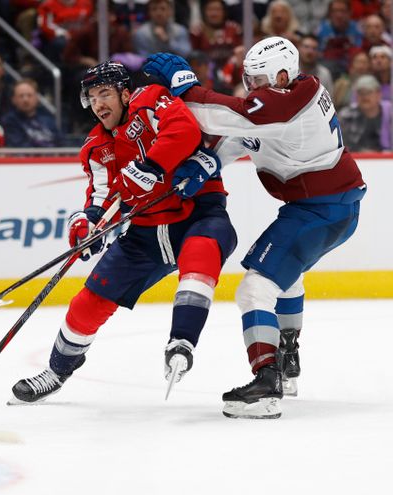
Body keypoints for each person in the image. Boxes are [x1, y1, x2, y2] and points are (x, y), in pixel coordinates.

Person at [144, 35, 367, 419]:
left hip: (320, 210)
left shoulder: (294, 100)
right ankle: (286, 362)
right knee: (285, 277)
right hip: (328, 206)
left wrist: (186, 86)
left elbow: (233, 116)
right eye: (249, 81)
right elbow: (243, 134)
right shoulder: (287, 97)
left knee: (254, 289)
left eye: (258, 81)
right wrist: (210, 161)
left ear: (283, 74)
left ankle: (266, 382)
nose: (252, 89)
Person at [11, 62, 236, 404]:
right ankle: (56, 371)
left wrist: (152, 166)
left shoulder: (150, 100)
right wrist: (87, 222)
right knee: (88, 303)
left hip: (197, 215)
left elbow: (184, 130)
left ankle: (182, 342)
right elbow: (101, 196)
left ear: (125, 93)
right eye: (92, 97)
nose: (99, 104)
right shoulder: (96, 146)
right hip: (144, 234)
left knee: (200, 256)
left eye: (105, 93)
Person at [0, 78, 61, 148]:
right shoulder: (9, 121)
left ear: (37, 98)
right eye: (21, 96)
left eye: (29, 95)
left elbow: (61, 143)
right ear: (14, 100)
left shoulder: (47, 119)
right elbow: (20, 147)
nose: (25, 100)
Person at [338, 74, 392, 151]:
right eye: (361, 93)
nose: (364, 96)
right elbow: (342, 148)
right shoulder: (346, 116)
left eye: (368, 92)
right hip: (357, 159)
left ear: (379, 94)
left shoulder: (390, 114)